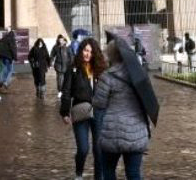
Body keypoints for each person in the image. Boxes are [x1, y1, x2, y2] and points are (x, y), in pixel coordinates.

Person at [94, 39, 152, 180]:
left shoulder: (107, 77)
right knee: (133, 173)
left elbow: (98, 104)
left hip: (112, 132)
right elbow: (148, 100)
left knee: (108, 171)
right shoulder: (140, 76)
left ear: (111, 55)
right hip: (136, 132)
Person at [60, 37, 107, 180]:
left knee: (99, 150)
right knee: (83, 149)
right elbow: (66, 91)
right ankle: (79, 173)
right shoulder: (73, 68)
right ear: (81, 50)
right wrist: (64, 112)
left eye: (91, 52)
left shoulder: (100, 69)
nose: (88, 54)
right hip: (81, 110)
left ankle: (98, 177)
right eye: (86, 51)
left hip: (98, 112)